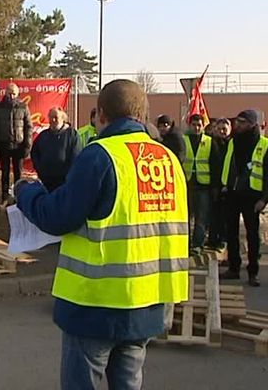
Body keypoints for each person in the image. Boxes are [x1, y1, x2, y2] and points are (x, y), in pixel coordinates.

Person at [15, 79, 189, 390]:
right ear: (142, 114)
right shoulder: (169, 161)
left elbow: (57, 216)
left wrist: (26, 193)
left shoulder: (100, 155)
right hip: (149, 303)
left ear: (103, 115)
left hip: (96, 306)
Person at [219, 109, 268, 287]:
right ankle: (233, 267)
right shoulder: (234, 141)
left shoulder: (264, 144)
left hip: (252, 197)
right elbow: (228, 164)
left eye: (243, 122)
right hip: (232, 194)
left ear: (253, 124)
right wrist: (225, 185)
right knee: (231, 233)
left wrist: (264, 199)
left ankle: (252, 272)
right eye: (238, 122)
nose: (238, 125)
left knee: (252, 235)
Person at [183, 114, 221, 255]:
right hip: (187, 184)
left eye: (199, 125)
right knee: (185, 218)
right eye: (194, 125)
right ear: (189, 125)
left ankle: (197, 245)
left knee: (201, 218)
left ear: (203, 125)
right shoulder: (183, 140)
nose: (197, 127)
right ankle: (185, 244)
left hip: (203, 186)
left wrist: (215, 187)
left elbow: (215, 165)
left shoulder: (210, 142)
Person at [0, 82, 32, 207]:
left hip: (19, 145)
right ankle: (4, 197)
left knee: (18, 174)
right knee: (4, 173)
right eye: (9, 93)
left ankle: (18, 198)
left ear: (18, 94)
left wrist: (27, 145)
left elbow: (28, 127)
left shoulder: (23, 107)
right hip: (3, 144)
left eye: (14, 93)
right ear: (5, 92)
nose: (11, 96)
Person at [31, 107, 81, 192]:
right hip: (46, 183)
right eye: (50, 117)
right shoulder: (43, 135)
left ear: (62, 118)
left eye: (56, 117)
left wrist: (68, 176)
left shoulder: (72, 135)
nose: (53, 120)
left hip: (64, 184)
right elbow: (34, 153)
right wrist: (40, 170)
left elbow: (76, 157)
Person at [207, 117, 231, 251]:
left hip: (228, 185)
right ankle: (212, 239)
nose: (222, 131)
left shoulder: (233, 144)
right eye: (219, 129)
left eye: (224, 129)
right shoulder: (211, 143)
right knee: (213, 214)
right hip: (213, 183)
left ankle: (223, 239)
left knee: (225, 215)